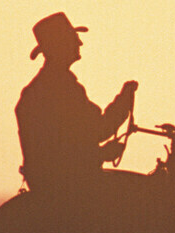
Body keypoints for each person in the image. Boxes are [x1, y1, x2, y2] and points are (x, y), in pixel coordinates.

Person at [15, 12, 137, 194]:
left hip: (50, 184)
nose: (80, 43)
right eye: (74, 38)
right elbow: (97, 131)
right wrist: (124, 100)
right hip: (69, 187)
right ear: (60, 46)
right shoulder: (61, 89)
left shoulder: (40, 89)